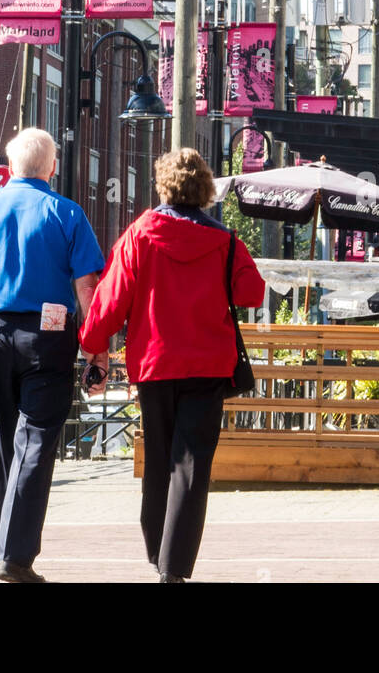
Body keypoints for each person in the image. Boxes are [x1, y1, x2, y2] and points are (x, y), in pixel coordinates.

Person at [80, 147, 266, 583]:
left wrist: (92, 345)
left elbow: (109, 302)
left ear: (164, 185)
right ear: (204, 189)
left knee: (159, 459)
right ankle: (174, 567)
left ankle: (155, 549)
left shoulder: (139, 235)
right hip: (207, 365)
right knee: (192, 465)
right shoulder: (225, 241)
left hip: (154, 364)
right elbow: (252, 293)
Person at [0, 127, 107, 584]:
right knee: (35, 442)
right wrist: (97, 350)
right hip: (48, 339)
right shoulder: (67, 213)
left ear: (11, 166)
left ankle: (7, 545)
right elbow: (87, 290)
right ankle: (15, 555)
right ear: (51, 168)